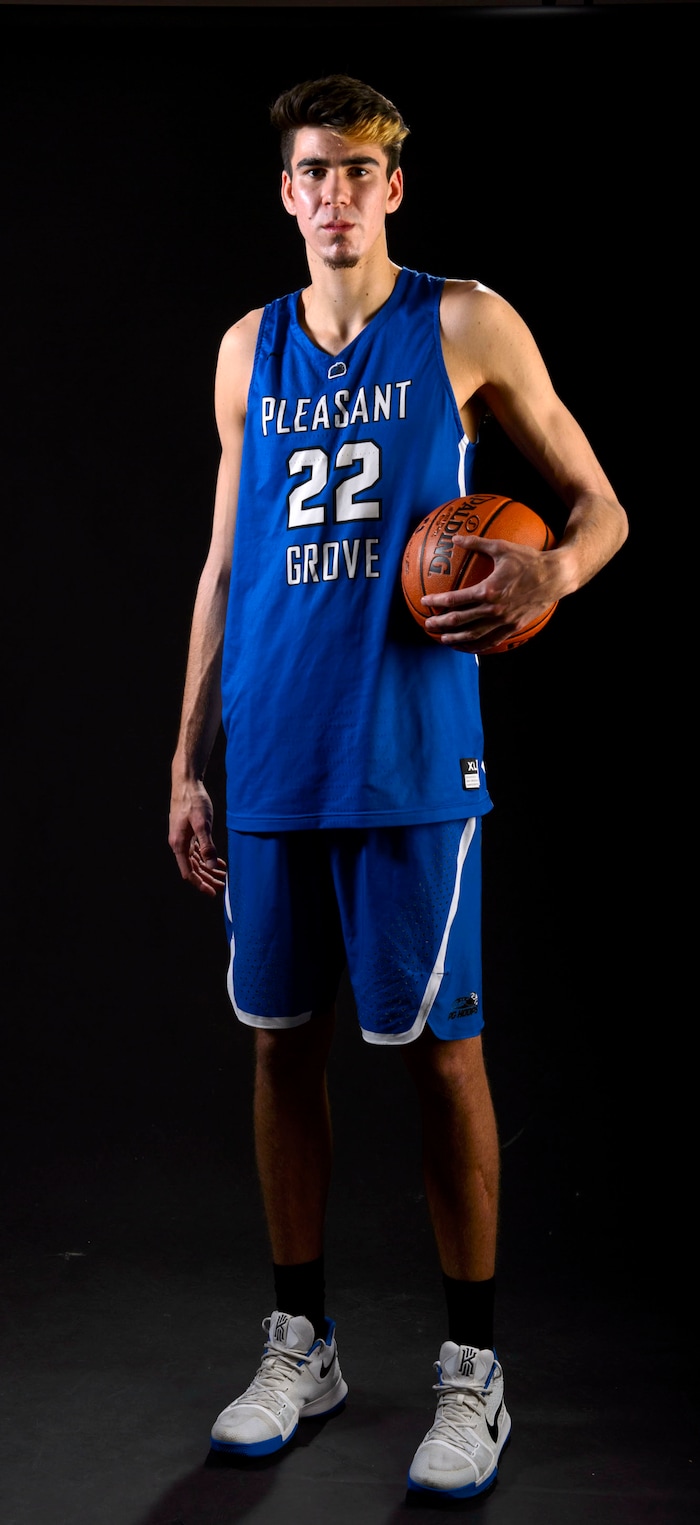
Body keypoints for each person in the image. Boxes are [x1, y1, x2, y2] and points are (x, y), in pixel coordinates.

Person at [168, 73, 628, 1500]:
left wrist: (553, 570)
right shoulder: (246, 349)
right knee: (278, 1048)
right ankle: (300, 1345)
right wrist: (185, 757)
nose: (338, 194)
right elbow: (224, 563)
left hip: (413, 755)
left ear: (394, 188)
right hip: (272, 754)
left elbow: (604, 507)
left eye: (361, 170)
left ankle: (472, 1370)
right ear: (286, 191)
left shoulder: (464, 322)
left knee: (442, 1058)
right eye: (316, 170)